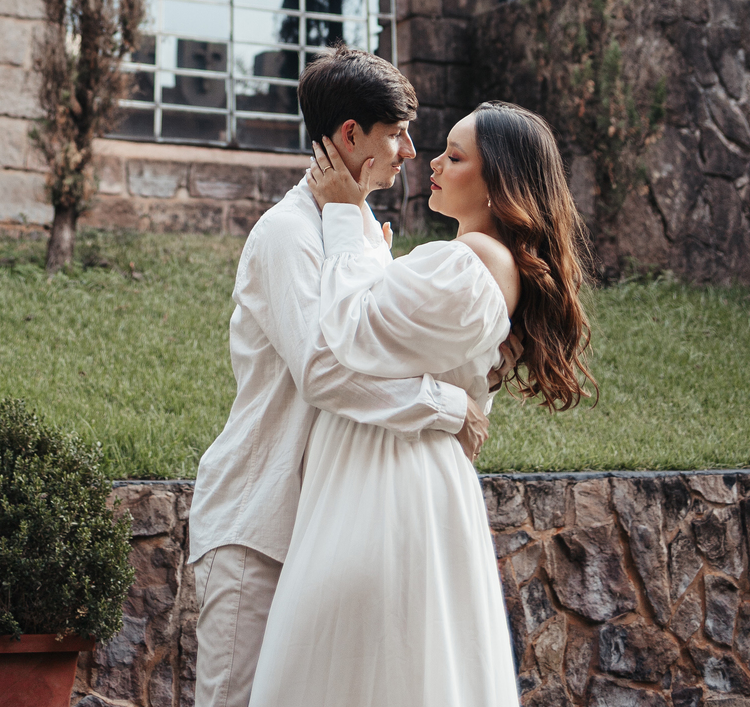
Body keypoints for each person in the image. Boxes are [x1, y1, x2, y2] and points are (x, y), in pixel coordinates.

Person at [189, 48, 520, 707]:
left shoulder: (365, 234)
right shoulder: (289, 233)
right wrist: (447, 408)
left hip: (330, 522)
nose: (410, 150)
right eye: (396, 132)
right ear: (350, 135)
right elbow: (323, 369)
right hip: (261, 525)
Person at [248, 97, 595, 707]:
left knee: (351, 669)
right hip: (390, 473)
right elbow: (390, 343)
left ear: (498, 188)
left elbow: (347, 333)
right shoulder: (466, 262)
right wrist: (369, 248)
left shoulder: (473, 261)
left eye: (456, 156)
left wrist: (341, 213)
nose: (430, 159)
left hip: (385, 487)